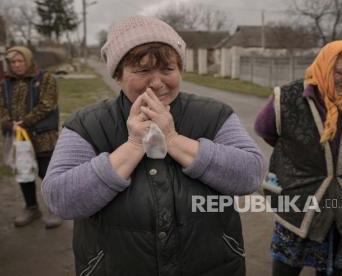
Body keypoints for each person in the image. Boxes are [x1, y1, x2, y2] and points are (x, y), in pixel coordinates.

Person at [41, 15, 265, 275]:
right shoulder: (87, 124)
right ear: (117, 75)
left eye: (168, 69)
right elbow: (60, 198)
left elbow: (251, 174)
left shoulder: (214, 115)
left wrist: (171, 138)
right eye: (142, 70)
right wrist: (134, 144)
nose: (157, 83)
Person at [255, 40, 342, 276]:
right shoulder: (287, 97)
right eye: (341, 72)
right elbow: (265, 130)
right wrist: (301, 156)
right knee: (287, 265)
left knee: (334, 266)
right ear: (325, 67)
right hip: (300, 200)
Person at [0, 46, 62, 228]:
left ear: (28, 60)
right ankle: (31, 208)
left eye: (20, 61)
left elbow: (47, 104)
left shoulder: (45, 78)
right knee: (24, 172)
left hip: (43, 137)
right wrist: (8, 123)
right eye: (13, 62)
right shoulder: (5, 84)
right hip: (19, 138)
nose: (16, 65)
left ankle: (55, 208)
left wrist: (24, 122)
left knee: (46, 173)